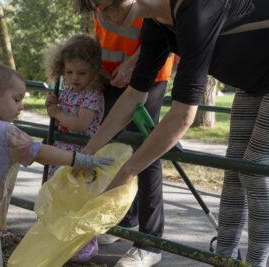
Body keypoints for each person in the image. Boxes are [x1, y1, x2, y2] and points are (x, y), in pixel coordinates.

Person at [75, 0, 269, 266]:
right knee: (234, 170)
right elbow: (135, 94)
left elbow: (183, 115)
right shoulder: (156, 20)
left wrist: (128, 171)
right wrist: (88, 151)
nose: (104, 17)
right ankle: (224, 260)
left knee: (255, 170)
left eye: (108, 6)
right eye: (97, 9)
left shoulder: (196, 8)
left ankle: (255, 263)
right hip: (252, 79)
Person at [0, 62, 113, 267]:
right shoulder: (7, 132)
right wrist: (82, 159)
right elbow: (41, 152)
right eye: (16, 99)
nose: (21, 106)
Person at [93, 8, 174, 267]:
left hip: (149, 74)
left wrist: (131, 66)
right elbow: (100, 33)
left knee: (146, 152)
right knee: (115, 148)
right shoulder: (94, 3)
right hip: (111, 77)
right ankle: (126, 221)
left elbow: (160, 29)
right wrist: (99, 68)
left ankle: (150, 243)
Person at [44, 33, 106, 262]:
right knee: (61, 196)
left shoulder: (92, 95)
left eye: (82, 73)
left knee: (80, 199)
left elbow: (81, 124)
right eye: (69, 72)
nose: (74, 78)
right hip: (63, 154)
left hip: (82, 155)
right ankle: (63, 238)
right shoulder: (68, 91)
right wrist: (53, 104)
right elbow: (61, 115)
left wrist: (57, 113)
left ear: (95, 70)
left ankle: (87, 240)